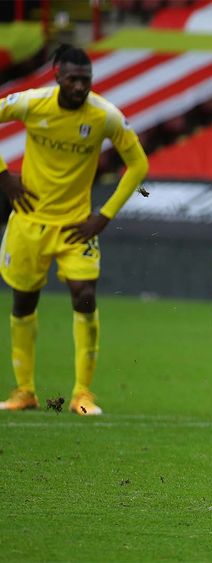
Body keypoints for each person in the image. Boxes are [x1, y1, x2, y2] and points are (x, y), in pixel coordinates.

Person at [0, 45, 149, 415]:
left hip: (77, 227)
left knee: (84, 295)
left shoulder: (104, 115)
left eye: (86, 79)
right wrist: (4, 178)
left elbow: (139, 164)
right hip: (30, 221)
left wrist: (105, 215)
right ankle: (24, 392)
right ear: (56, 76)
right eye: (73, 79)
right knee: (23, 302)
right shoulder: (32, 103)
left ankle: (83, 394)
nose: (80, 86)